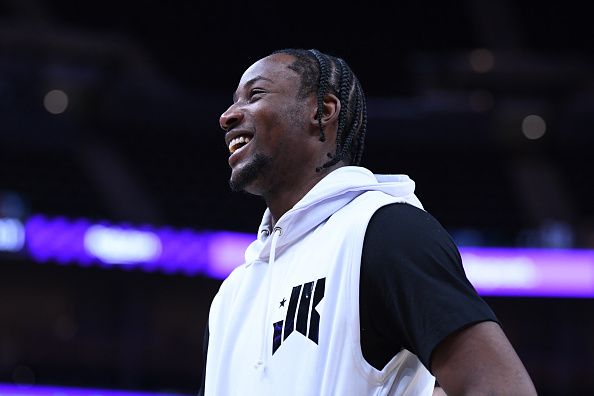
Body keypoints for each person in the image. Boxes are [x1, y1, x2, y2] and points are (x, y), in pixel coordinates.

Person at [198, 48, 537, 395]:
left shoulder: (386, 231)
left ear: (322, 111)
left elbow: (503, 388)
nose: (227, 116)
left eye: (255, 95)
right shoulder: (232, 293)